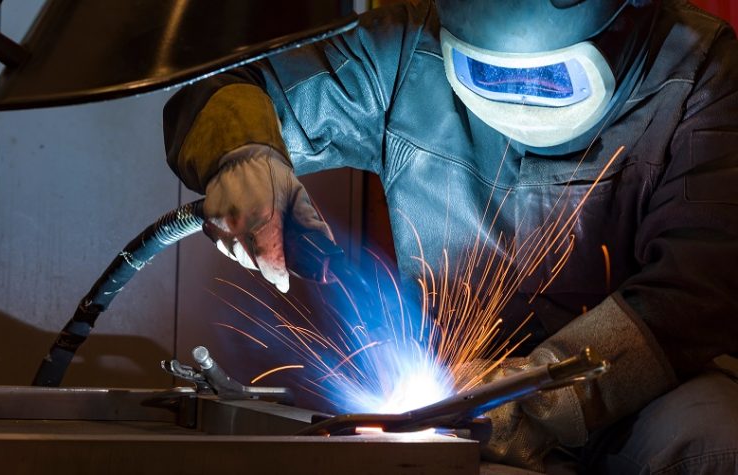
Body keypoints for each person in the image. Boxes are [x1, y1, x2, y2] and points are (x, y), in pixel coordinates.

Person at [162, 0, 738, 472]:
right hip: (449, 395)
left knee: (714, 441)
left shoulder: (700, 70)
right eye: (487, 74)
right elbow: (225, 88)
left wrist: (524, 406)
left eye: (547, 77)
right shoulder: (405, 47)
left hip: (648, 401)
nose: (521, 97)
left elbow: (694, 296)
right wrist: (240, 154)